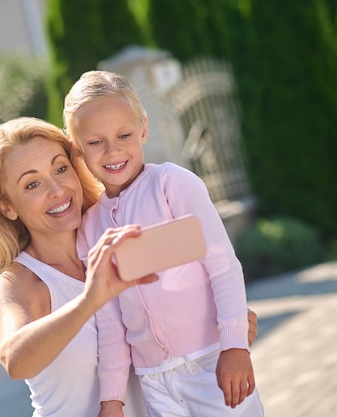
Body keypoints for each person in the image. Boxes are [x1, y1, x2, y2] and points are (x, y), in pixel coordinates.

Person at [0, 117, 259, 417]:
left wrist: (223, 336)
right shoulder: (18, 282)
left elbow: (185, 304)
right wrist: (90, 300)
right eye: (32, 184)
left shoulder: (121, 237)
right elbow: (15, 360)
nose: (57, 189)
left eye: (60, 168)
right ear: (7, 207)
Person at [64, 71, 265, 417]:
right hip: (154, 382)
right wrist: (111, 399)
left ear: (143, 128)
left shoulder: (172, 184)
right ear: (76, 147)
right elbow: (110, 320)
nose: (112, 151)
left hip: (212, 363)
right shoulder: (89, 228)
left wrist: (234, 346)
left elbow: (222, 265)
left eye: (124, 135)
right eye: (95, 142)